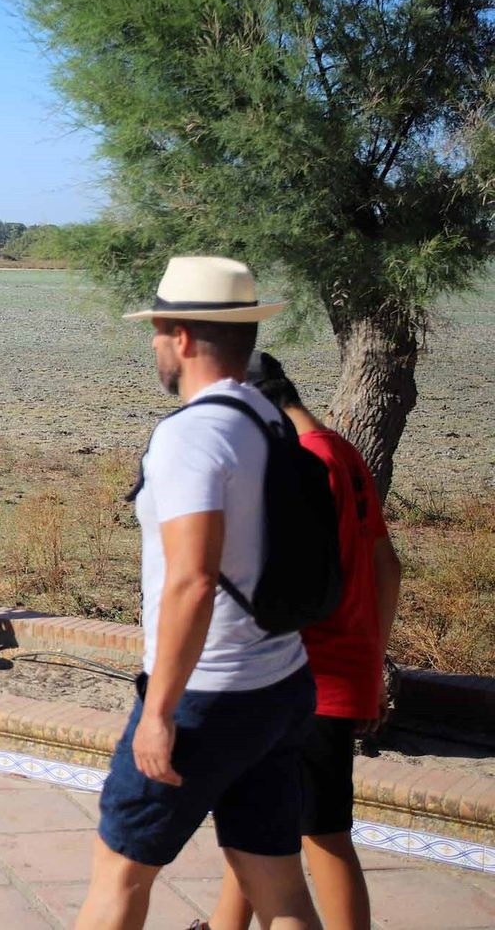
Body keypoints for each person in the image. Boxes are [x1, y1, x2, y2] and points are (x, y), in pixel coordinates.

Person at [76, 256, 321, 930]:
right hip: (280, 683)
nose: (154, 345)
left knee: (120, 874)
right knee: (278, 884)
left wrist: (159, 711)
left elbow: (192, 578)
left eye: (157, 330)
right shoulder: (268, 422)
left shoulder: (191, 436)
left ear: (181, 336)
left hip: (206, 696)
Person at [200, 352, 403, 930]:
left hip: (302, 679)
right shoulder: (342, 453)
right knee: (254, 814)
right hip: (338, 673)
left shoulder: (300, 466)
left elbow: (273, 584)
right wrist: (368, 667)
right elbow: (386, 565)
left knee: (323, 833)